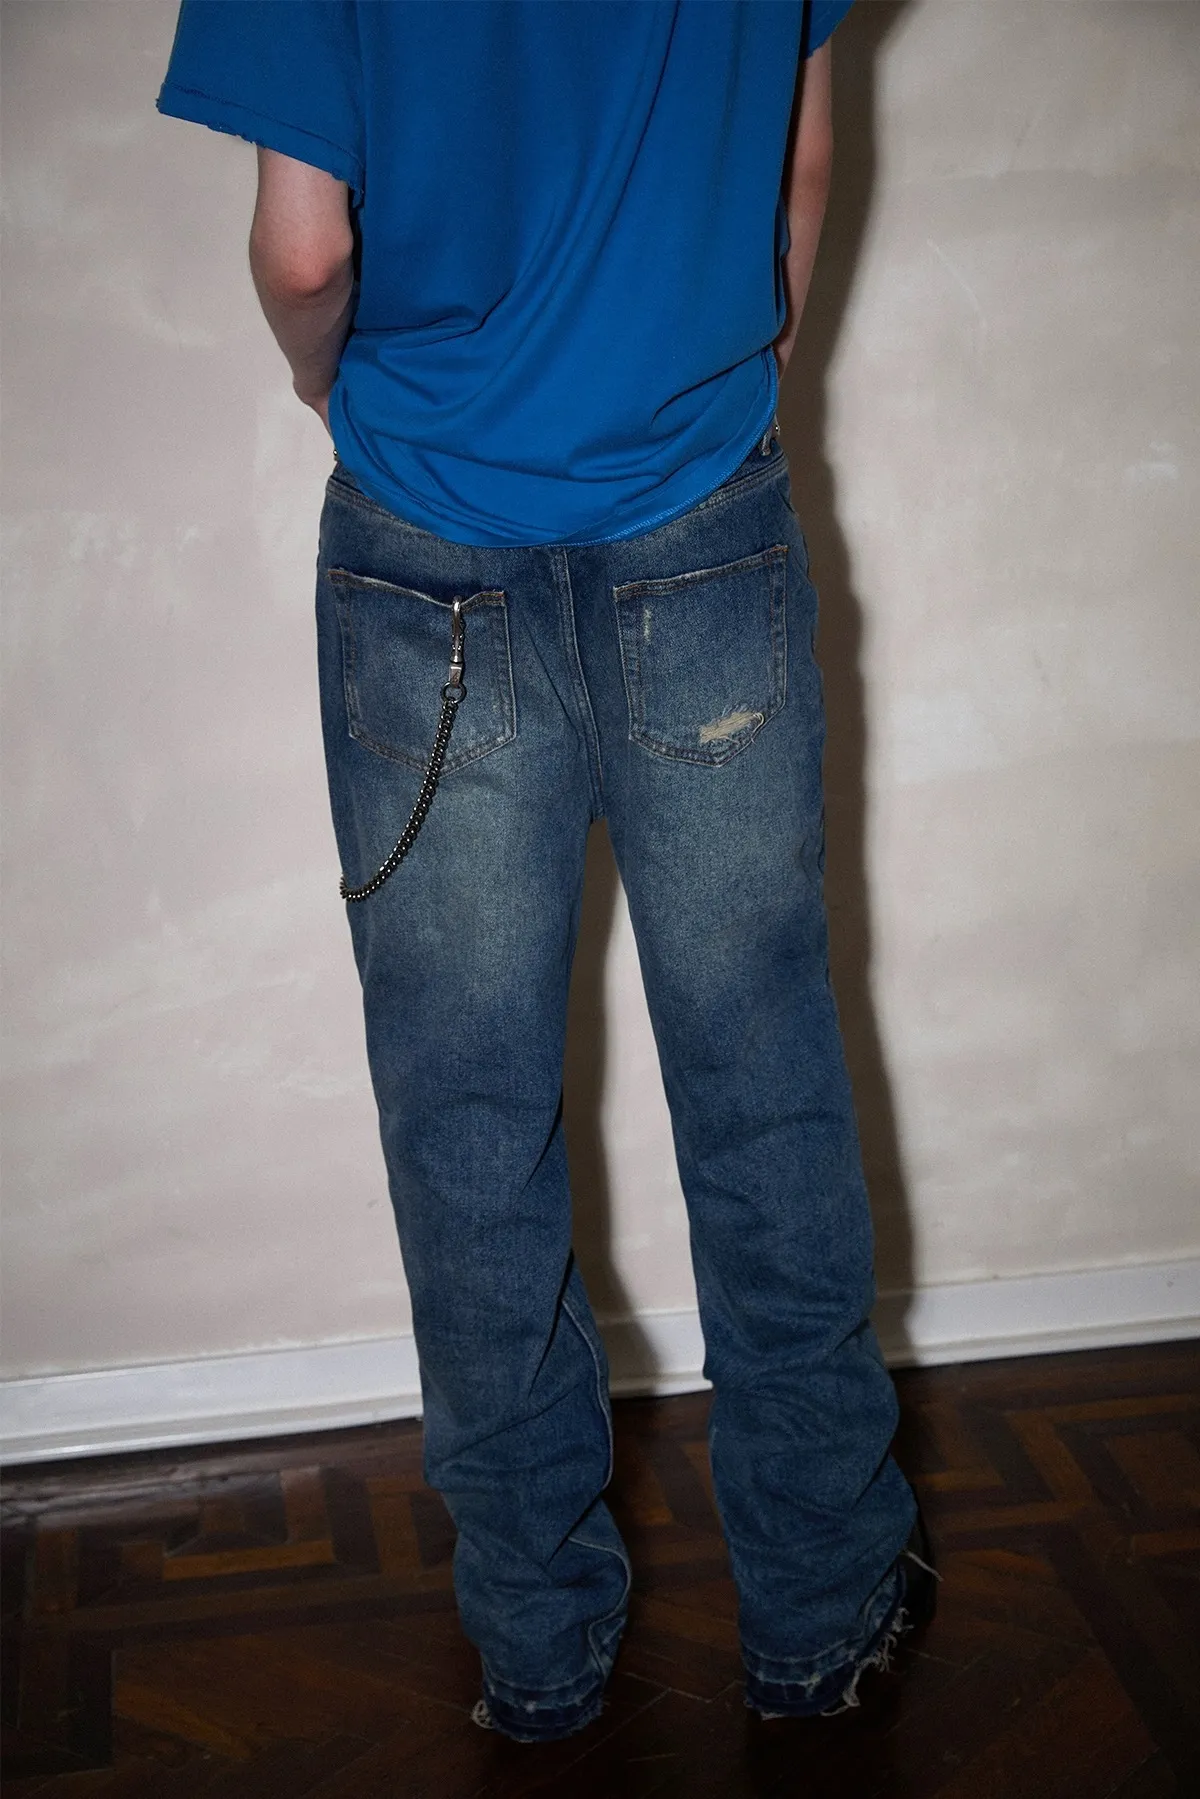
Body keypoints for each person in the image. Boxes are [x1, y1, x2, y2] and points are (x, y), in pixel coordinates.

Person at [158, 0, 937, 1746]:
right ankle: (822, 1609)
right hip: (701, 516)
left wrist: (336, 382)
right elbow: (800, 167)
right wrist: (735, 365)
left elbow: (304, 249)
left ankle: (538, 1646)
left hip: (423, 537)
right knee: (767, 1087)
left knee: (466, 1121)